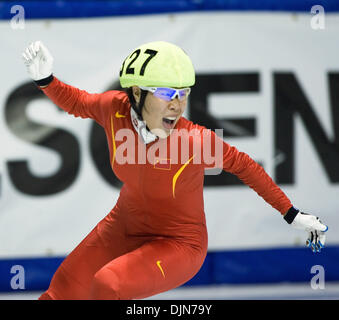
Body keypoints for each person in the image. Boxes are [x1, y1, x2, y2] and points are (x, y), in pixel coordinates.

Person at [22, 40, 328, 300]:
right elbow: (77, 102)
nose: (178, 105)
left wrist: (290, 213)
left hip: (179, 244)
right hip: (124, 226)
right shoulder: (113, 109)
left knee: (108, 284)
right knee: (63, 289)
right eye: (168, 93)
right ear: (138, 93)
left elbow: (246, 167)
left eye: (184, 94)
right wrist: (46, 80)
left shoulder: (195, 140)